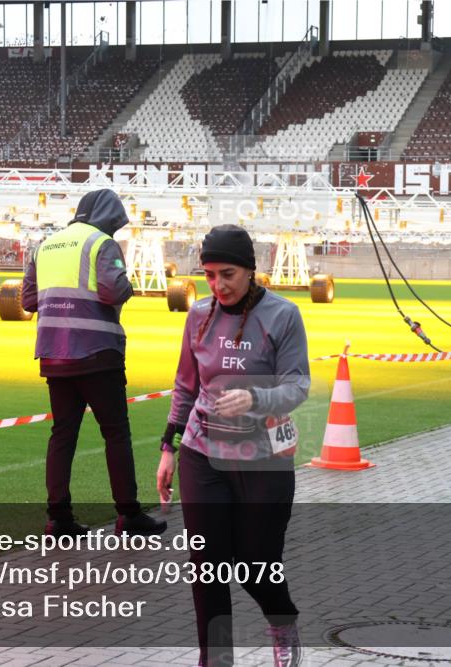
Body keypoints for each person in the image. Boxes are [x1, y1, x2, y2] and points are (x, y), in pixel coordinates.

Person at [156, 225, 310, 667]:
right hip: (202, 453)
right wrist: (169, 447)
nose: (218, 285)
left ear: (249, 271)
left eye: (227, 274)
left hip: (265, 457)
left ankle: (282, 622)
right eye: (208, 275)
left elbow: (298, 385)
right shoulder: (198, 314)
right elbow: (186, 387)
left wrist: (256, 398)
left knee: (255, 563)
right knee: (207, 564)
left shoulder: (283, 315)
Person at [21, 188, 165, 537]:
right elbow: (113, 291)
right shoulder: (102, 244)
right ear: (107, 217)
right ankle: (128, 515)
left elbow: (27, 300)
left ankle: (58, 518)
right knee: (116, 433)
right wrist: (127, 286)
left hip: (54, 354)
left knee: (62, 434)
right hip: (98, 353)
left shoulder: (46, 246)